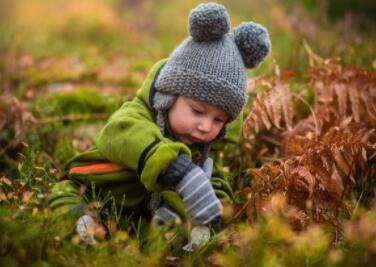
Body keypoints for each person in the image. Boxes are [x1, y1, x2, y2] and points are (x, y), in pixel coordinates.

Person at [48, 2, 271, 245]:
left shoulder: (203, 150)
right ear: (168, 97)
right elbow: (120, 132)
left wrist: (213, 210)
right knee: (67, 198)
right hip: (90, 188)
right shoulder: (137, 116)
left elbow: (215, 181)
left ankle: (167, 240)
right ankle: (81, 226)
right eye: (197, 111)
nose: (206, 126)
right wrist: (175, 167)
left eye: (219, 120)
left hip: (137, 215)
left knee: (178, 225)